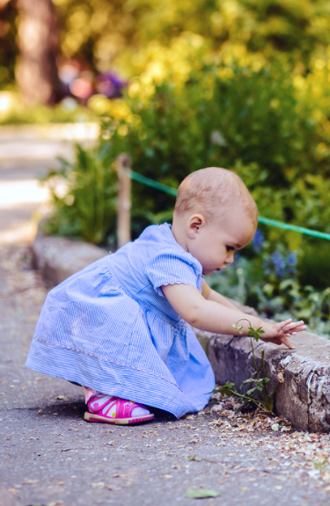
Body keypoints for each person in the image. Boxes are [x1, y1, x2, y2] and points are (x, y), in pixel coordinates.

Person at [26, 168, 306, 425]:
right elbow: (196, 311)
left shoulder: (170, 244)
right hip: (100, 313)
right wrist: (257, 329)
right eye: (229, 248)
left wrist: (251, 322)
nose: (231, 259)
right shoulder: (168, 259)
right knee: (117, 339)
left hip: (104, 311)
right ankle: (103, 394)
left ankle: (118, 387)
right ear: (196, 226)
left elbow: (207, 296)